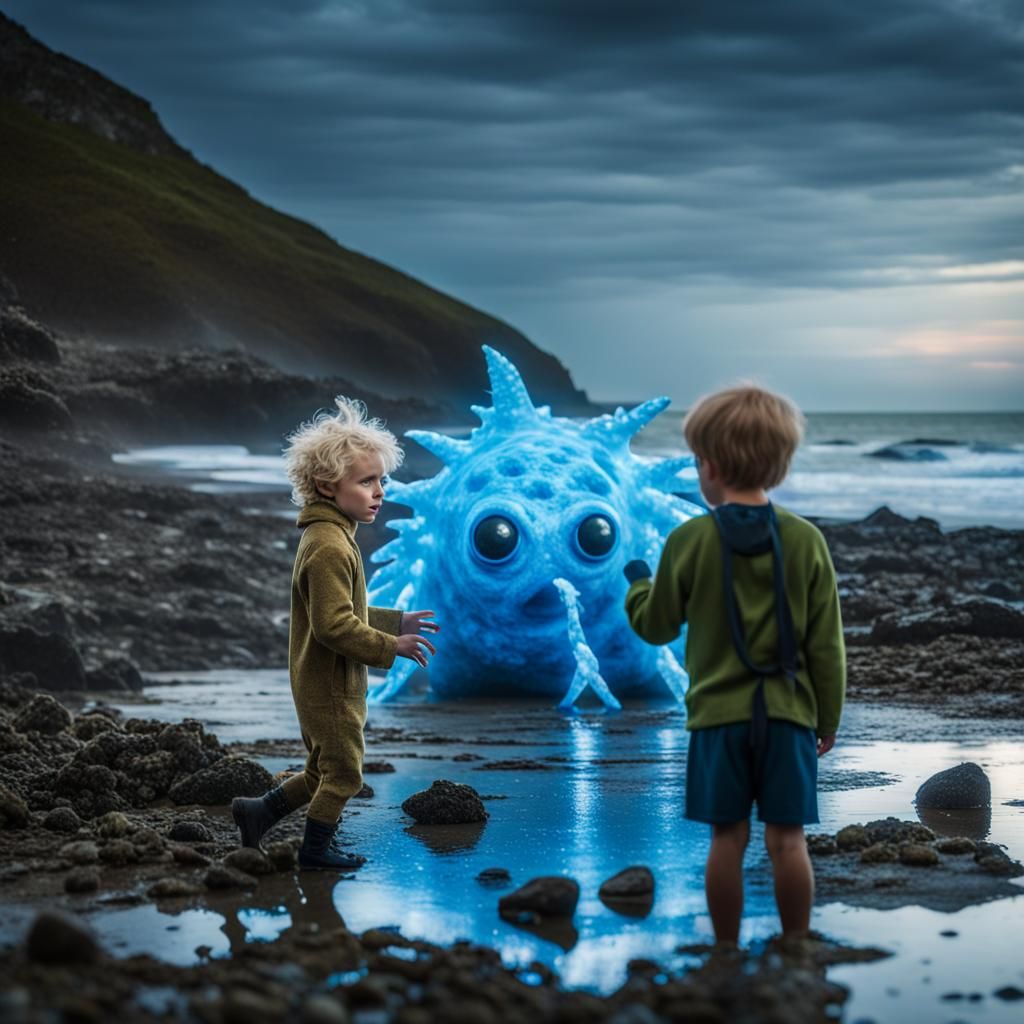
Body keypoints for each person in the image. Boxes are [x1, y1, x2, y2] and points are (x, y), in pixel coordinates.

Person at [623, 384, 845, 945]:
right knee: (788, 842)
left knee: (727, 839)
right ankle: (797, 942)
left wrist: (638, 587)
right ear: (779, 464)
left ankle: (725, 949)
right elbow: (827, 646)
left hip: (719, 721)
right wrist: (828, 718)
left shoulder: (689, 540)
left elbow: (656, 626)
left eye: (697, 461)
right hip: (790, 716)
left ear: (712, 466)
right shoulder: (807, 541)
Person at [232, 396, 439, 870]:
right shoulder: (328, 545)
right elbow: (333, 625)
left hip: (323, 680)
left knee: (318, 771)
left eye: (381, 480)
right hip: (330, 685)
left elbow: (344, 607)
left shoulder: (331, 535)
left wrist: (394, 620)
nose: (380, 491)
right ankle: (316, 851)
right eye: (367, 481)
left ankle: (257, 813)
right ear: (327, 486)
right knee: (344, 774)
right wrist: (391, 646)